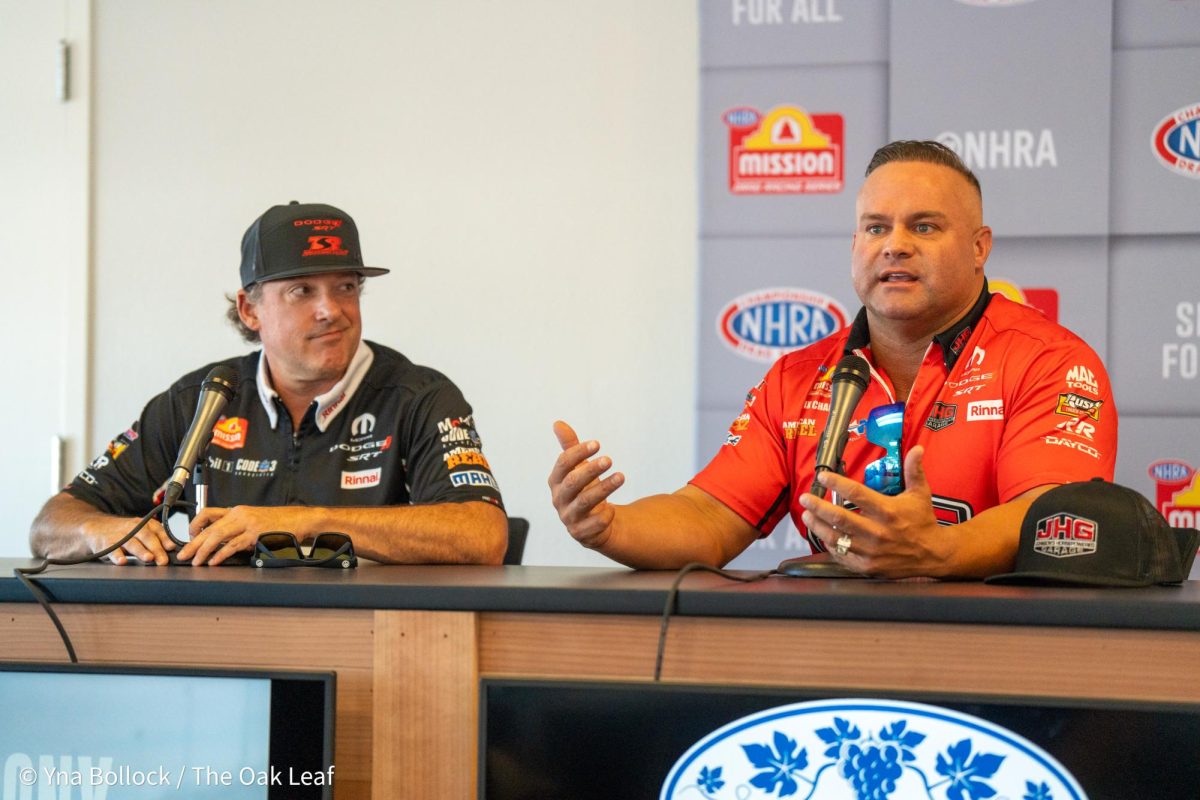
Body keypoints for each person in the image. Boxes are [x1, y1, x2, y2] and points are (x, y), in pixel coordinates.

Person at [549, 141, 1117, 579]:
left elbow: (1056, 519)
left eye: (924, 226)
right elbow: (708, 515)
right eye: (876, 227)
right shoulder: (798, 377)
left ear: (979, 248)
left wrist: (938, 550)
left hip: (1000, 660)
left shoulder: (1050, 363)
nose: (895, 244)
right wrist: (611, 528)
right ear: (855, 247)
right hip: (835, 657)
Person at [31, 201, 507, 566]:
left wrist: (304, 522)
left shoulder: (418, 397)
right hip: (228, 646)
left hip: (372, 640)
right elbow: (51, 523)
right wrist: (103, 532)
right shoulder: (199, 400)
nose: (332, 309)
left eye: (346, 286)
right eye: (303, 291)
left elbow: (482, 534)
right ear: (249, 309)